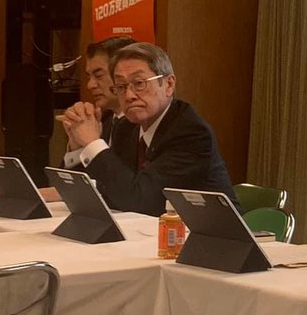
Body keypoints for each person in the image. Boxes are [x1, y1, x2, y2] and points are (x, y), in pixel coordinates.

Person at [57, 42, 237, 216]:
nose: (129, 95)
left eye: (139, 83)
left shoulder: (191, 133)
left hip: (213, 233)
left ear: (169, 85)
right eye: (121, 86)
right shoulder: (126, 127)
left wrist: (92, 143)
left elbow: (141, 201)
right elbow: (102, 190)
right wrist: (78, 145)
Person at [61, 35, 134, 168]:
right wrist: (77, 147)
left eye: (99, 75)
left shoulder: (143, 124)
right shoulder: (101, 121)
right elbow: (71, 181)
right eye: (89, 76)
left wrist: (92, 143)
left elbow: (129, 181)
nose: (90, 85)